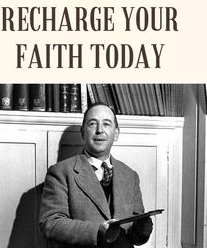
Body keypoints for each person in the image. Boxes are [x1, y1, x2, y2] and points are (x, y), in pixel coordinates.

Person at [39, 102, 153, 247]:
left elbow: (135, 236)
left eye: (106, 124)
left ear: (116, 133)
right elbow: (50, 224)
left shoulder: (131, 176)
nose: (100, 130)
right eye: (93, 124)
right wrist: (97, 231)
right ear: (82, 132)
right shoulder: (60, 172)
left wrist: (142, 230)